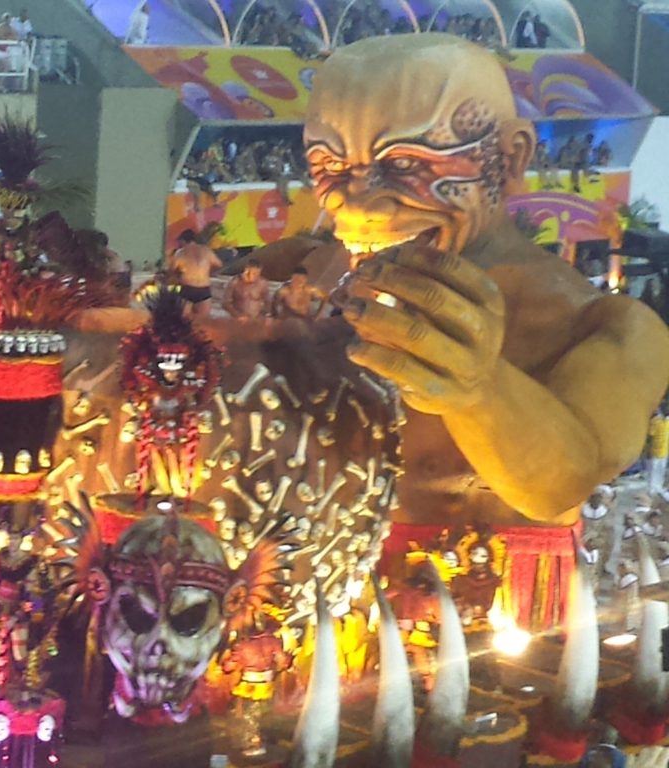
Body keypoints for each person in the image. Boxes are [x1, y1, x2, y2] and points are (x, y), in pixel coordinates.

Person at [305, 34, 669, 628]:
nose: (354, 197)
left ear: (513, 155)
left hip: (514, 633)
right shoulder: (305, 286)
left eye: (404, 164)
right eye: (329, 165)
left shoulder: (611, 326)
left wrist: (478, 390)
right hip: (350, 615)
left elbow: (559, 484)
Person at [167, 229, 222, 318]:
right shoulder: (206, 250)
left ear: (183, 240)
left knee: (184, 321)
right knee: (203, 322)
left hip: (187, 288)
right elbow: (219, 264)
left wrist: (178, 275)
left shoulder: (180, 252)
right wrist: (209, 272)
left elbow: (171, 271)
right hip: (203, 288)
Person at [649, 406, 668, 499]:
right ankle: (652, 489)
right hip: (655, 450)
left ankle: (659, 487)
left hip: (665, 451)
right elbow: (650, 435)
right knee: (653, 470)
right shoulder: (656, 421)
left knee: (661, 470)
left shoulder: (668, 421)